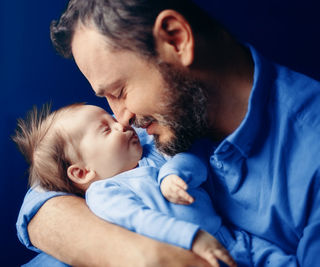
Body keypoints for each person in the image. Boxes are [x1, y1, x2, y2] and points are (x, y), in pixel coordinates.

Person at [17, 0, 320, 266]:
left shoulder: (311, 155)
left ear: (176, 40)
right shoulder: (157, 125)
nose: (121, 118)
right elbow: (42, 203)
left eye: (120, 90)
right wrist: (138, 256)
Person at [14, 103, 294, 267]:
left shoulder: (151, 150)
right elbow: (141, 220)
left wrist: (174, 173)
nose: (122, 124)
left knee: (278, 259)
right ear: (83, 172)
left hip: (228, 235)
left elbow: (192, 157)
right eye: (105, 129)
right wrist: (191, 237)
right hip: (187, 248)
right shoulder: (105, 193)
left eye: (112, 120)